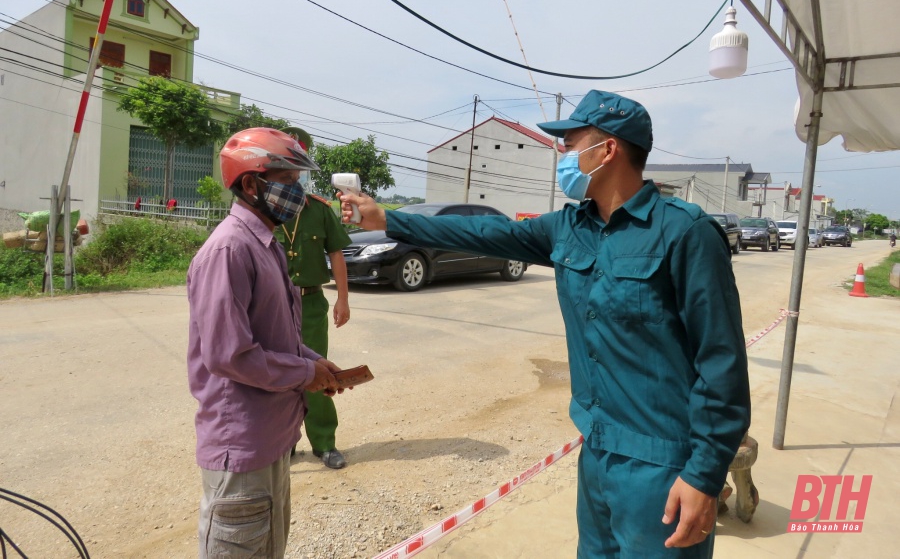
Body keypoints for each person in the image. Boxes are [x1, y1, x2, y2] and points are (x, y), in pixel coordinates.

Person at [339, 90, 751, 558]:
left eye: (571, 143)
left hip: (662, 462)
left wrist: (704, 473)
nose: (563, 154)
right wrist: (388, 219)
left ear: (608, 149)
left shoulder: (684, 232)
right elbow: (486, 233)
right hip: (596, 450)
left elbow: (721, 364)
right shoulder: (569, 228)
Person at [187, 127, 346, 558]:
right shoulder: (229, 250)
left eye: (299, 182)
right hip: (242, 443)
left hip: (272, 436)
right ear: (252, 184)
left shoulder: (266, 244)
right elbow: (230, 354)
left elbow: (279, 334)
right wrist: (305, 373)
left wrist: (317, 364)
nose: (297, 193)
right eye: (287, 181)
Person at [279, 127, 353, 470]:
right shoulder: (266, 211)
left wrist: (343, 299)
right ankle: (283, 443)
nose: (294, 176)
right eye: (286, 169)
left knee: (317, 371)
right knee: (276, 375)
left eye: (299, 169)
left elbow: (336, 254)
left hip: (310, 303)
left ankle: (324, 443)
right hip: (273, 304)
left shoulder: (319, 210)